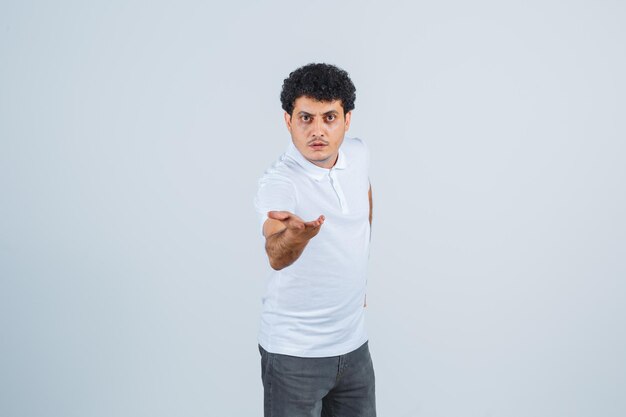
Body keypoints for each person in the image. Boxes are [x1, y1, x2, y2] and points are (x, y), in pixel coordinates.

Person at [254, 63, 376, 417]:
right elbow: (275, 253)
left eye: (329, 117)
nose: (318, 130)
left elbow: (365, 198)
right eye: (306, 118)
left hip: (354, 348)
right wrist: (295, 235)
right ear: (288, 120)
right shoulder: (279, 183)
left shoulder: (358, 154)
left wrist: (360, 271)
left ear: (347, 120)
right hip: (295, 355)